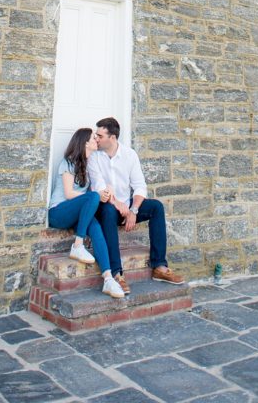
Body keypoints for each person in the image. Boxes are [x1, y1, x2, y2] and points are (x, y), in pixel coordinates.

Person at [88, 116, 184, 294]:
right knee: (108, 211)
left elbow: (140, 186)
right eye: (96, 135)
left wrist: (133, 210)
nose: (96, 139)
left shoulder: (129, 155)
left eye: (100, 136)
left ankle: (159, 267)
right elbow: (99, 188)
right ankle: (117, 274)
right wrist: (118, 204)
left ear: (113, 137)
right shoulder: (94, 157)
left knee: (156, 207)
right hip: (107, 205)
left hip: (127, 204)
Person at [48, 127, 124, 299]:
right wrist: (94, 196)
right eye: (93, 138)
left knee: (96, 228)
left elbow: (93, 194)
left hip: (75, 214)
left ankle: (108, 279)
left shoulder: (88, 166)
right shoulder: (67, 162)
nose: (96, 140)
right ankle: (78, 245)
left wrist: (106, 191)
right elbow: (68, 194)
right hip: (58, 212)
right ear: (84, 143)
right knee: (92, 197)